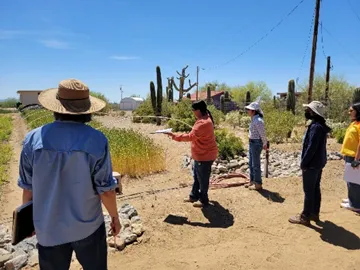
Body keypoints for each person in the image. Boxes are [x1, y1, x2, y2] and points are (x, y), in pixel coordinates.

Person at [18, 79, 121, 270]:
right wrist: (115, 217)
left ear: (56, 107)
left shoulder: (32, 140)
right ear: (87, 109)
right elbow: (106, 191)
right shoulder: (97, 140)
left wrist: (27, 221)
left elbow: (28, 189)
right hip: (88, 227)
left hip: (48, 229)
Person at [166, 100, 218, 208]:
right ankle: (194, 196)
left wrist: (174, 135)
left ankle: (203, 200)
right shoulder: (204, 119)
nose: (192, 112)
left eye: (193, 110)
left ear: (198, 110)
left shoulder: (203, 123)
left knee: (202, 179)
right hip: (201, 155)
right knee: (197, 177)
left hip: (205, 156)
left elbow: (190, 137)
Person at [289, 101, 331, 226]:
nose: (306, 112)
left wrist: (304, 162)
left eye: (308, 110)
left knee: (308, 190)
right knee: (315, 188)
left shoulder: (315, 127)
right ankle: (314, 213)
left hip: (312, 164)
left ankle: (305, 216)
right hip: (318, 162)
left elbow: (311, 148)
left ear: (313, 112)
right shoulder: (319, 126)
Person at [340, 102, 360, 212]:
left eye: (351, 110)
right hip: (349, 155)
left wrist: (357, 159)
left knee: (354, 181)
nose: (349, 113)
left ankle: (356, 205)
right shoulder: (354, 123)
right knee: (350, 179)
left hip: (354, 157)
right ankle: (352, 199)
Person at [244, 97, 268, 191]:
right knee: (251, 163)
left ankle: (258, 184)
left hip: (256, 143)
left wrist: (265, 143)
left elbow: (262, 133)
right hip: (252, 143)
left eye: (249, 110)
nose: (248, 111)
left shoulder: (258, 120)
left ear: (253, 111)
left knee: (255, 164)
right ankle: (253, 181)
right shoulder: (254, 119)